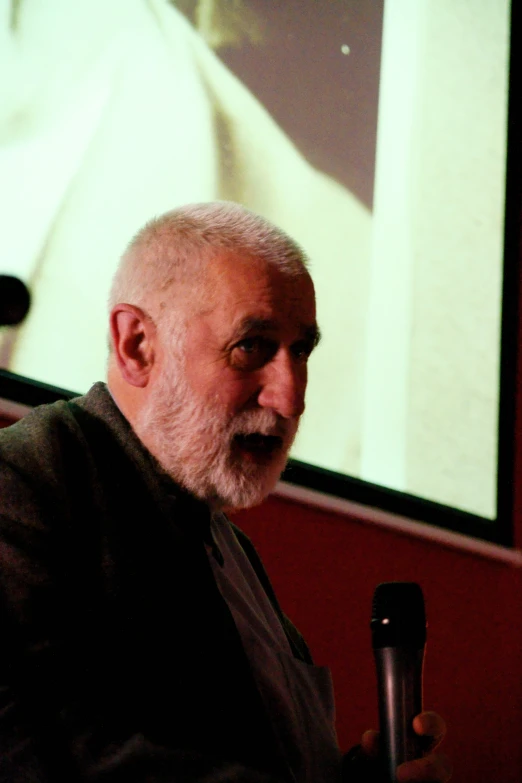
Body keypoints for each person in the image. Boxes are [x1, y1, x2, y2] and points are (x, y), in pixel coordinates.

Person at [0, 202, 451, 783]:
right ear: (136, 344)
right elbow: (38, 754)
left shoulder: (230, 548)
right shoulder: (24, 485)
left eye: (302, 351)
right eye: (252, 346)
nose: (290, 399)